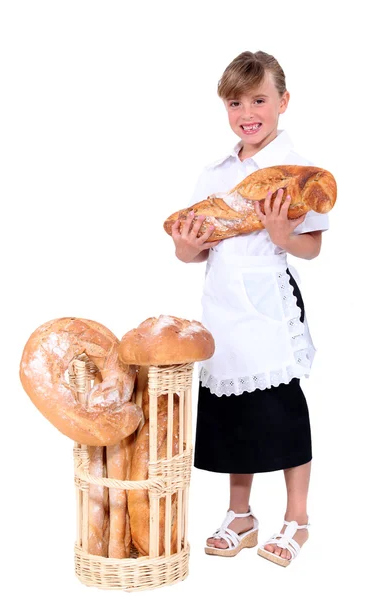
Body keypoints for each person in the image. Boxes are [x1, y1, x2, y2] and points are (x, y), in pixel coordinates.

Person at [170, 50, 330, 567]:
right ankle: (241, 516)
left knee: (280, 411)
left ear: (283, 102)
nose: (247, 112)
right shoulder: (214, 174)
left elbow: (312, 247)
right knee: (234, 410)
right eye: (235, 102)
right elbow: (193, 249)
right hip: (223, 308)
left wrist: (284, 234)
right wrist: (186, 247)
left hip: (268, 304)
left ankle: (297, 519)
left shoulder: (294, 173)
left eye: (258, 99)